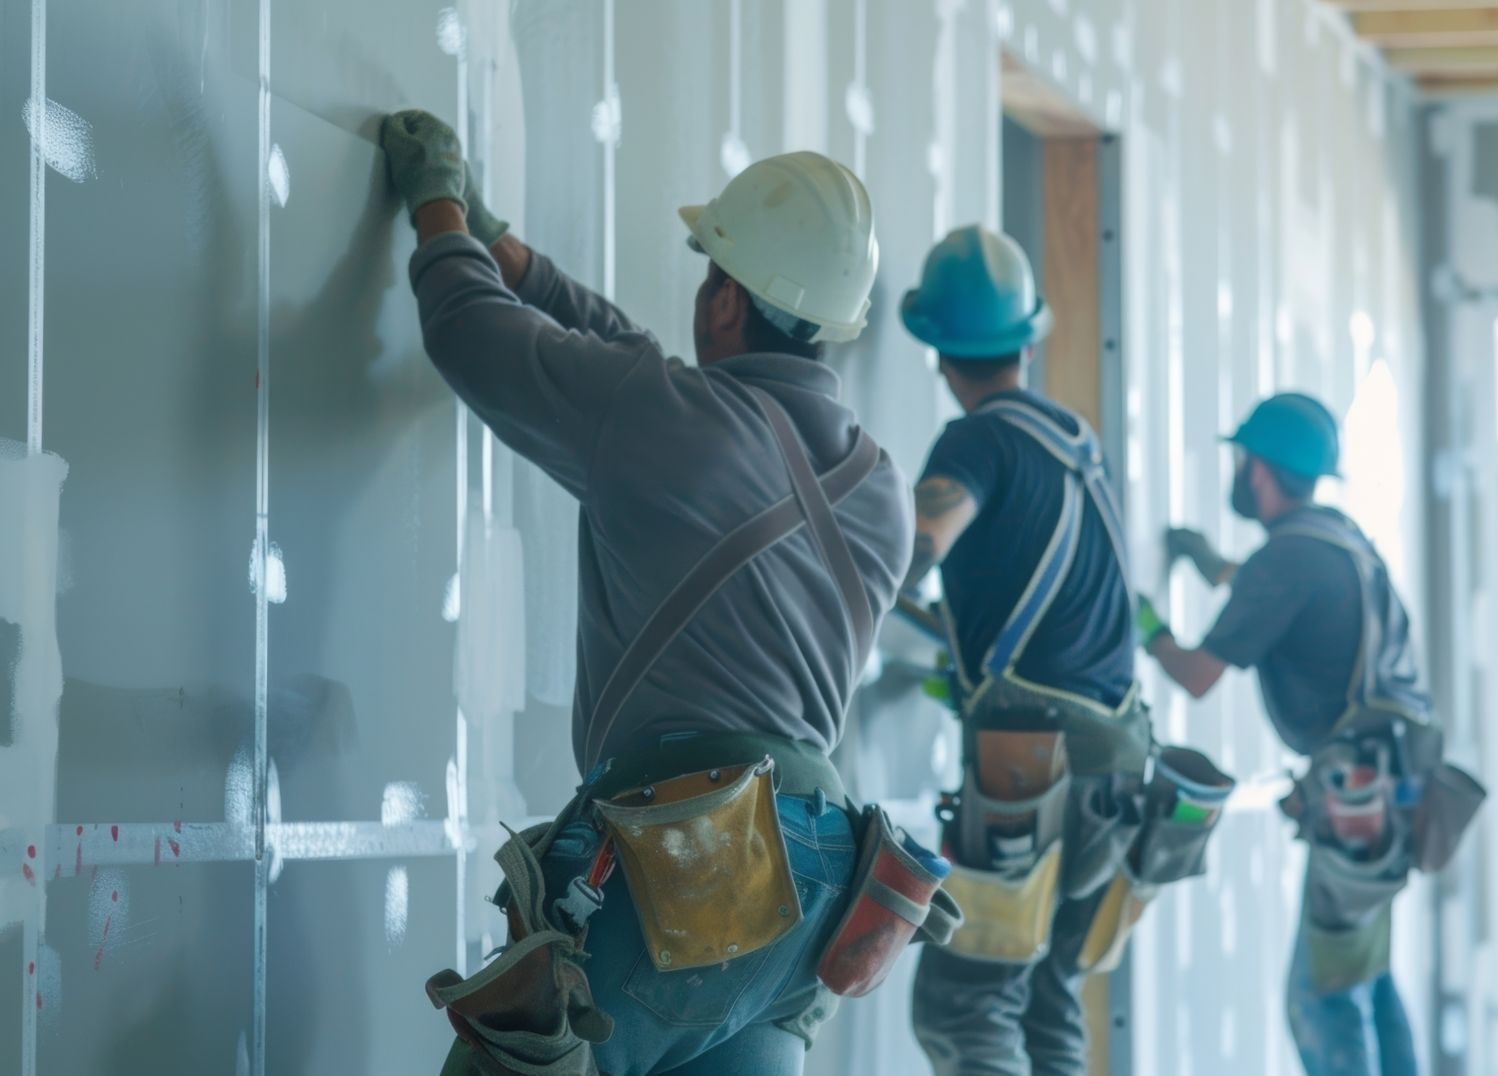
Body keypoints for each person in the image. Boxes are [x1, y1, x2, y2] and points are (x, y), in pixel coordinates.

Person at [380, 110, 919, 1076]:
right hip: (814, 892)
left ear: (723, 299)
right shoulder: (883, 489)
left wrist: (438, 204)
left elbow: (471, 333)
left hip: (691, 861)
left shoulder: (662, 422)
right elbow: (634, 361)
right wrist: (511, 250)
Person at [898, 225, 1150, 1076]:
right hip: (1115, 771)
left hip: (1030, 776)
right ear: (1028, 342)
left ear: (938, 353)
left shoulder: (973, 444)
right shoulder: (1078, 441)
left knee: (964, 1011)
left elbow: (927, 537)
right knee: (1047, 1008)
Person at [1141, 393, 1429, 1076]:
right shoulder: (1340, 541)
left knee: (1322, 996)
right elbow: (1268, 595)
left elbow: (1199, 675)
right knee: (1366, 976)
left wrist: (1148, 629)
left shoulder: (1288, 559)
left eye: (1242, 459)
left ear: (1258, 469)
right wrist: (1208, 561)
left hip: (1353, 793)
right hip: (1390, 786)